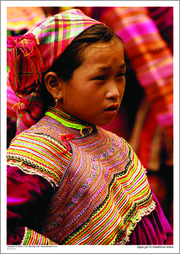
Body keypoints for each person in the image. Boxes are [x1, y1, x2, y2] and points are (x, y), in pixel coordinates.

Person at [7, 9, 173, 245]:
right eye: (100, 78)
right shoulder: (39, 150)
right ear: (54, 84)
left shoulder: (116, 145)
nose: (115, 92)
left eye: (121, 75)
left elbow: (159, 230)